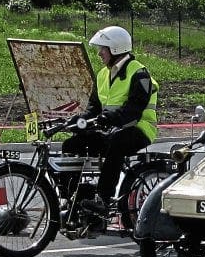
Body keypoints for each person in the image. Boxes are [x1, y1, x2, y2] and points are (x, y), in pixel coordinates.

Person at [62, 25, 159, 214]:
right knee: (71, 145)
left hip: (139, 129)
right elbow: (93, 109)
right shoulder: (102, 75)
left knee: (116, 143)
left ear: (116, 49)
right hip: (112, 128)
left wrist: (107, 119)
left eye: (103, 49)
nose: (99, 53)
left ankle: (103, 199)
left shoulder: (139, 73)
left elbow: (133, 110)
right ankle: (72, 198)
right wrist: (76, 121)